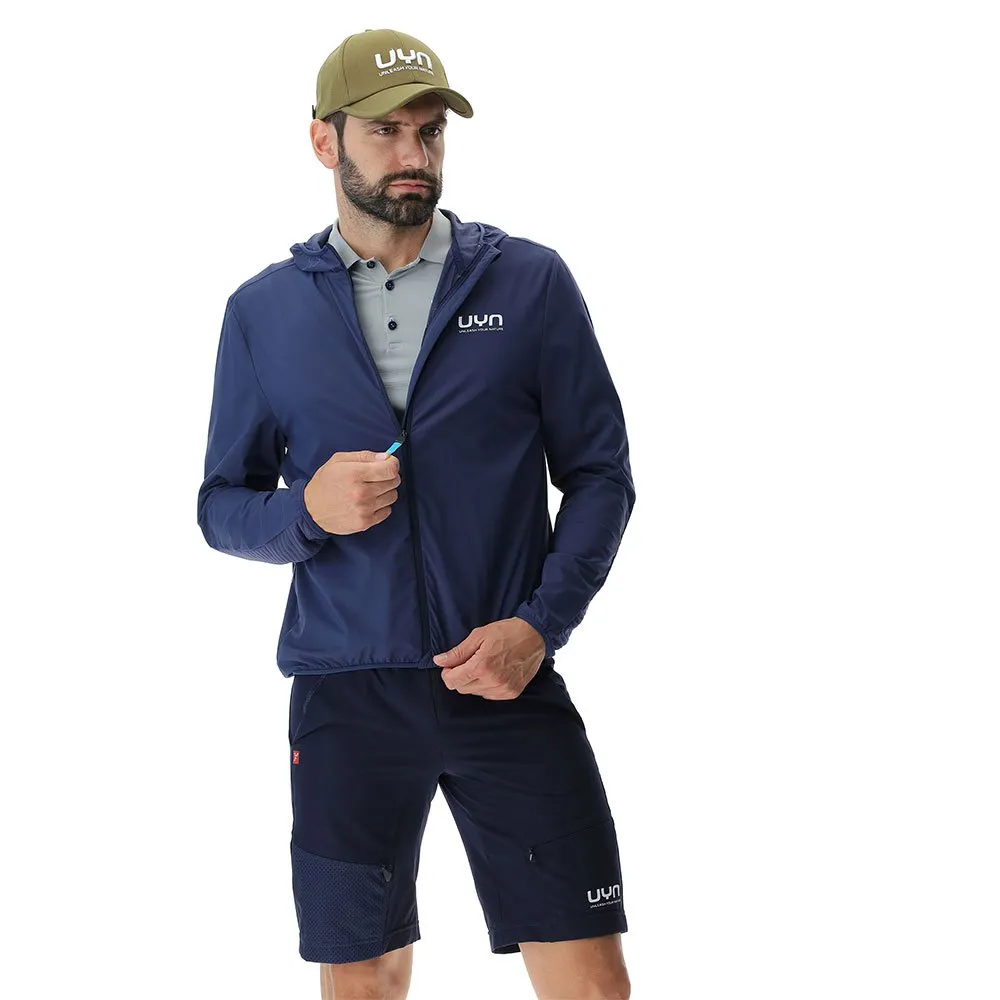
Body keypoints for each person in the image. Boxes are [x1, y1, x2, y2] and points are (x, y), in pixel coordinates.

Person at [196, 26, 636, 1000]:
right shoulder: (264, 312)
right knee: (364, 981)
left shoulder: (528, 282)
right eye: (387, 131)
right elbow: (220, 506)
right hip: (346, 699)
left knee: (591, 982)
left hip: (507, 680)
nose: (414, 154)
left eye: (429, 131)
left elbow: (601, 474)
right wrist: (306, 511)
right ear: (325, 141)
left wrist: (538, 626)